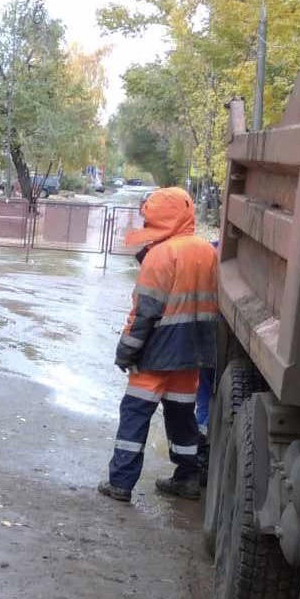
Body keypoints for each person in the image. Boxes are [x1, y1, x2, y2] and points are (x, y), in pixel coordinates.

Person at [98, 186, 219, 502]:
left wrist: (126, 350)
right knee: (182, 417)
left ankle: (121, 484)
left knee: (135, 414)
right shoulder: (207, 251)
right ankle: (188, 477)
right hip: (192, 353)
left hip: (156, 353)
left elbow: (144, 313)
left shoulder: (160, 255)